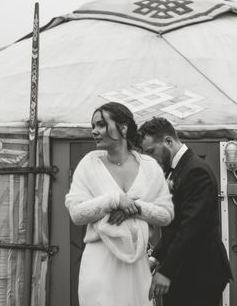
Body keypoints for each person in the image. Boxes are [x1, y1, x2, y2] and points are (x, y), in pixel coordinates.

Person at [65, 102, 174, 306]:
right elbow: (77, 214)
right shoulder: (89, 164)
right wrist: (114, 200)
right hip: (100, 261)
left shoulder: (149, 167)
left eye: (100, 125)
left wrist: (135, 208)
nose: (94, 131)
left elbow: (166, 214)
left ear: (123, 128)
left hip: (137, 265)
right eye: (93, 126)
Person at [139, 117, 233, 306]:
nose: (150, 159)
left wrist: (166, 271)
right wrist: (155, 257)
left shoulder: (196, 171)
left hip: (200, 272)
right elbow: (174, 226)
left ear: (168, 141)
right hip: (185, 270)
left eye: (151, 152)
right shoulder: (174, 171)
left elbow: (191, 227)